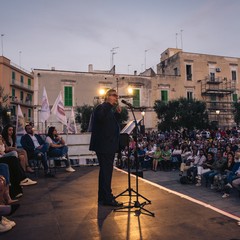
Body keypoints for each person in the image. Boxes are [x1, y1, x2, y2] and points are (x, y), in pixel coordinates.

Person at [89, 89, 123, 207]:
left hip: (107, 145)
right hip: (104, 146)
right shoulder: (101, 107)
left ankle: (102, 196)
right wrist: (109, 105)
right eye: (114, 96)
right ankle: (107, 198)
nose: (116, 98)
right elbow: (100, 118)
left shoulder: (108, 110)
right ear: (108, 96)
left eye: (117, 96)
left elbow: (110, 125)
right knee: (107, 172)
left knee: (104, 172)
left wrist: (117, 114)